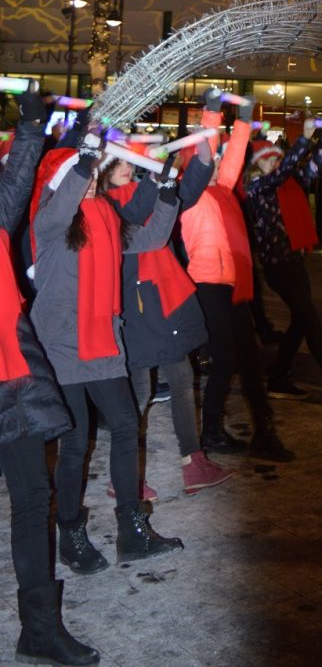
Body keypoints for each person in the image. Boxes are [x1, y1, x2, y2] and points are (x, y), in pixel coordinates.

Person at [30, 134, 184, 571]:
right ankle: (71, 534)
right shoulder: (51, 220)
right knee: (75, 443)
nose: (93, 181)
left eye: (95, 174)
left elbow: (152, 238)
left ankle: (131, 532)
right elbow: (63, 201)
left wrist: (168, 191)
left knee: (122, 425)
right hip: (63, 345)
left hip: (103, 342)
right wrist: (83, 160)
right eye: (85, 175)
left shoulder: (105, 217)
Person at [1, 83, 99, 666]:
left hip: (10, 373)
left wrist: (38, 130)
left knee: (32, 498)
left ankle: (38, 629)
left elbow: (16, 188)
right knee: (30, 501)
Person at [99, 119, 235, 496]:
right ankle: (124, 475)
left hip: (161, 298)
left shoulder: (130, 191)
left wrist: (201, 160)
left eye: (129, 158)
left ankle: (192, 462)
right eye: (119, 159)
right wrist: (159, 177)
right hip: (138, 305)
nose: (126, 165)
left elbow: (182, 195)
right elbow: (144, 219)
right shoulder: (105, 203)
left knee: (178, 378)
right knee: (141, 389)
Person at [183, 92, 293, 462]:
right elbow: (208, 146)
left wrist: (244, 118)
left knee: (242, 357)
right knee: (227, 357)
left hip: (229, 284)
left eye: (216, 161)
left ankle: (250, 430)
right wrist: (213, 112)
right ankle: (211, 431)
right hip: (206, 283)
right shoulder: (192, 193)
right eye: (208, 160)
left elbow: (233, 154)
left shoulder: (221, 187)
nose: (216, 163)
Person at [245, 121, 322, 407]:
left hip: (295, 261)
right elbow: (285, 171)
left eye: (276, 157)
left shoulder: (288, 184)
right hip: (278, 266)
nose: (275, 162)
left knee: (301, 319)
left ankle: (278, 376)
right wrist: (305, 139)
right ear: (257, 166)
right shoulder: (257, 186)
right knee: (309, 317)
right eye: (268, 159)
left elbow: (312, 168)